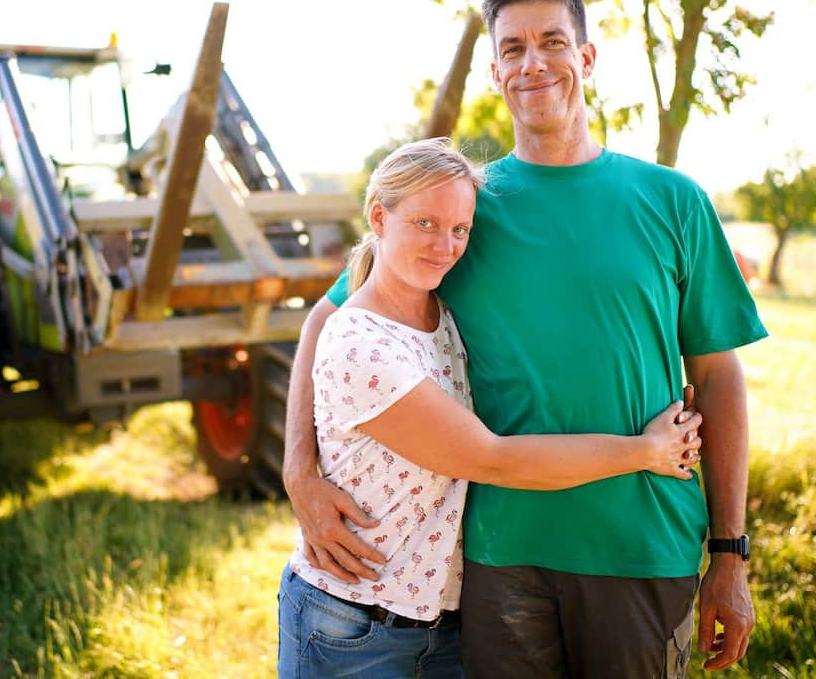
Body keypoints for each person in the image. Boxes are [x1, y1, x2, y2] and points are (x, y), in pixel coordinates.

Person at [283, 0, 768, 679]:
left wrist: (729, 552)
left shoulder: (674, 200)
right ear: (495, 70)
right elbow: (325, 324)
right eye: (513, 48)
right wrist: (299, 468)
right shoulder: (461, 209)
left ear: (587, 57)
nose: (533, 62)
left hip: (644, 545)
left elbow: (719, 374)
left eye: (552, 41)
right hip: (501, 555)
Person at [278, 138, 703, 679]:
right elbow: (491, 458)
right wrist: (646, 451)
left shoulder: (443, 314)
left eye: (460, 230)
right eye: (426, 224)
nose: (445, 246)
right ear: (379, 218)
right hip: (354, 624)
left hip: (438, 628)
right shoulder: (364, 347)